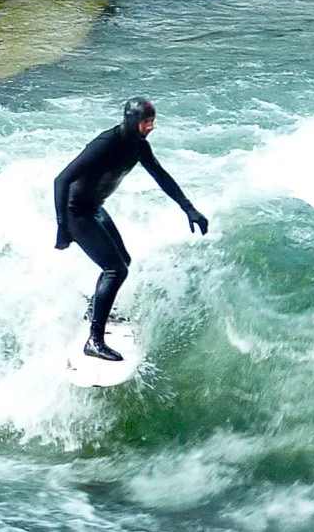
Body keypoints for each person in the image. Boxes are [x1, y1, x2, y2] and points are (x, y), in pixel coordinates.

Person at [53, 96, 210, 362]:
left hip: (93, 208)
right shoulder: (105, 144)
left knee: (122, 260)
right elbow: (62, 179)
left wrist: (188, 208)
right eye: (146, 122)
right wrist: (62, 227)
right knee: (115, 269)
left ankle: (94, 309)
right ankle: (95, 340)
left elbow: (162, 177)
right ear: (132, 121)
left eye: (152, 122)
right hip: (75, 212)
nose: (150, 127)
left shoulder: (139, 147)